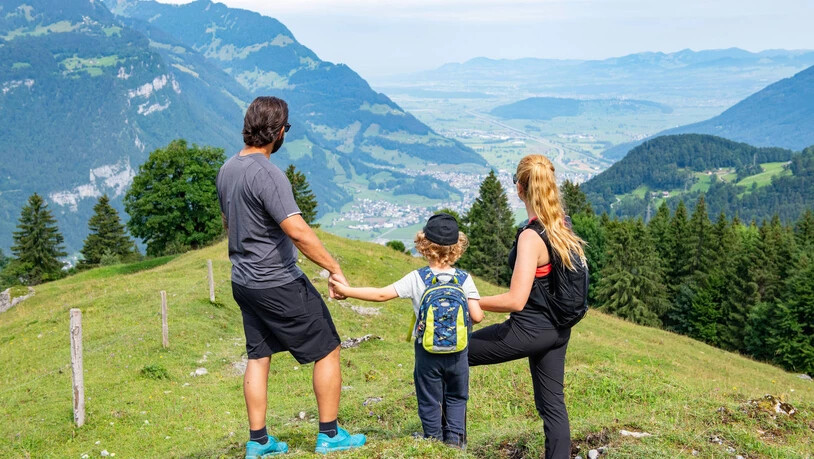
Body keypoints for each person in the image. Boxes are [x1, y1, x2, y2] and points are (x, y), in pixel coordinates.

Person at [216, 96, 366, 457]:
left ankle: (259, 441)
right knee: (328, 347)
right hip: (277, 281)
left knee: (258, 355)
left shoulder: (228, 168)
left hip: (244, 280)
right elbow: (297, 231)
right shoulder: (267, 173)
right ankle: (329, 435)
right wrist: (333, 267)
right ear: (279, 131)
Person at [468, 155, 586, 459]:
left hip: (529, 329)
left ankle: (444, 438)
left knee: (453, 350)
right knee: (552, 406)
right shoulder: (560, 223)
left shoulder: (532, 237)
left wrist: (469, 300)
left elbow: (515, 299)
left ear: (520, 189)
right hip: (559, 329)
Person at [330, 214, 483, 447]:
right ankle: (455, 445)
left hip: (427, 352)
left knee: (429, 399)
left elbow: (381, 295)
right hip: (458, 351)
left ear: (423, 245)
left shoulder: (417, 278)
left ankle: (433, 443)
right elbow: (478, 316)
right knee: (456, 397)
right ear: (457, 247)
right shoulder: (464, 279)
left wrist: (347, 290)